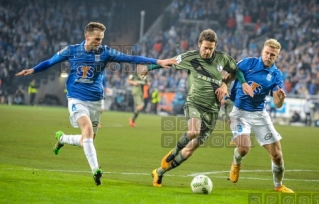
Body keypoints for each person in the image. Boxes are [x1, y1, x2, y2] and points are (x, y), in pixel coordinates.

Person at [15, 22, 177, 186]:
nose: (99, 42)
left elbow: (131, 58)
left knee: (87, 140)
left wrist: (158, 61)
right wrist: (33, 70)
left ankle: (62, 138)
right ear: (87, 37)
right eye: (97, 39)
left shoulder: (105, 52)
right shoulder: (71, 50)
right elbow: (50, 62)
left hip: (95, 101)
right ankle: (96, 170)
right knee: (87, 129)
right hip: (76, 98)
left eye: (101, 39)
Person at [139, 29, 253, 187]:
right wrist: (149, 68)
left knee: (189, 151)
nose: (207, 51)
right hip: (194, 103)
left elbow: (236, 71)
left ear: (215, 47)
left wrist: (237, 83)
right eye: (205, 47)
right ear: (199, 44)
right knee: (193, 131)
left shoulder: (223, 59)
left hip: (212, 111)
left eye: (210, 48)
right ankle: (172, 153)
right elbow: (169, 62)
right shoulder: (190, 57)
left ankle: (159, 173)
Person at [226, 39, 294, 193]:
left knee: (277, 155)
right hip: (239, 112)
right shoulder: (247, 63)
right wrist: (223, 87)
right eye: (267, 53)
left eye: (272, 55)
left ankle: (278, 186)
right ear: (262, 51)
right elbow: (230, 76)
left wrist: (281, 99)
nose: (268, 56)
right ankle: (236, 163)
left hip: (259, 114)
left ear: (276, 57)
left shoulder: (276, 75)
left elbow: (277, 103)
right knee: (244, 148)